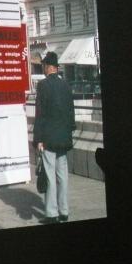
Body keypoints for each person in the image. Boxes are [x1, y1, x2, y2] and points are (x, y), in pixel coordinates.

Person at [33, 51, 76, 224]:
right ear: (56, 68)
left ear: (47, 67)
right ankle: (64, 212)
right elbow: (71, 111)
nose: (43, 69)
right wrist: (69, 132)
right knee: (62, 176)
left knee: (50, 175)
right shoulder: (66, 85)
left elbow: (40, 114)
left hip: (49, 138)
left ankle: (51, 214)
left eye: (43, 66)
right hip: (64, 138)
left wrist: (38, 139)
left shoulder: (43, 85)